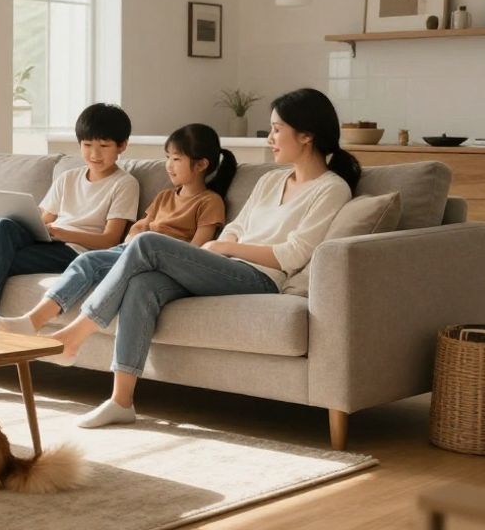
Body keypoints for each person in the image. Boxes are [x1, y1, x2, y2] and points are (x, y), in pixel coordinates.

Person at [38, 88, 358, 428]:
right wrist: (224, 246)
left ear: (306, 135)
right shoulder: (270, 180)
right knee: (144, 285)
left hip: (261, 278)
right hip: (226, 268)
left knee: (147, 242)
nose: (270, 138)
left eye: (277, 129)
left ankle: (75, 333)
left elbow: (292, 255)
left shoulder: (331, 189)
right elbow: (236, 227)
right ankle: (121, 400)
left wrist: (223, 248)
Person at [0, 102, 140, 396]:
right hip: (48, 243)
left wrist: (60, 231)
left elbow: (110, 239)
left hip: (76, 252)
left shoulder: (124, 184)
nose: (94, 153)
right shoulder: (68, 179)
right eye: (87, 144)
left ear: (123, 146)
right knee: (2, 227)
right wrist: (40, 229)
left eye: (104, 146)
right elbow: (40, 220)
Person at [0, 122, 237, 337]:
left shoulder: (210, 202)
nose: (169, 166)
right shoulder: (164, 196)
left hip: (163, 259)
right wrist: (134, 237)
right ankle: (33, 321)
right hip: (132, 251)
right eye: (167, 158)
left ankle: (34, 321)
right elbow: (139, 226)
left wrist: (145, 241)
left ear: (201, 164)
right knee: (87, 261)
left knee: (88, 262)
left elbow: (197, 250)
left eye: (176, 159)